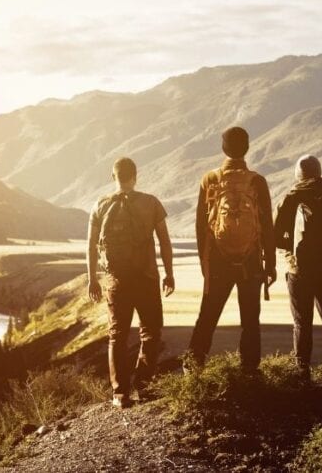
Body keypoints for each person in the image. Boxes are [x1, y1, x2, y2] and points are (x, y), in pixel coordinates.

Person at [87, 157, 175, 408]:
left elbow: (91, 245)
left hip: (116, 281)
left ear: (112, 177)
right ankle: (145, 386)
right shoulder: (151, 203)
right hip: (146, 278)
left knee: (117, 336)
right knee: (151, 332)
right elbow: (165, 241)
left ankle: (120, 393)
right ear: (136, 176)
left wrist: (93, 278)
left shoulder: (100, 205)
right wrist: (169, 273)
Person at [186, 127, 276, 373]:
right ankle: (249, 371)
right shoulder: (257, 181)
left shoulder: (210, 179)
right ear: (247, 148)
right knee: (250, 320)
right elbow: (268, 225)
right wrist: (271, 264)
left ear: (223, 148)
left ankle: (193, 369)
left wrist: (205, 264)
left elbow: (200, 225)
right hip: (251, 262)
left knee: (207, 318)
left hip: (217, 262)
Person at [273, 155, 322, 385]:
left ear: (299, 174)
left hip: (299, 270)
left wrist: (291, 252)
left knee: (302, 323)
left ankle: (303, 373)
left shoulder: (291, 199)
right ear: (319, 171)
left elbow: (276, 236)